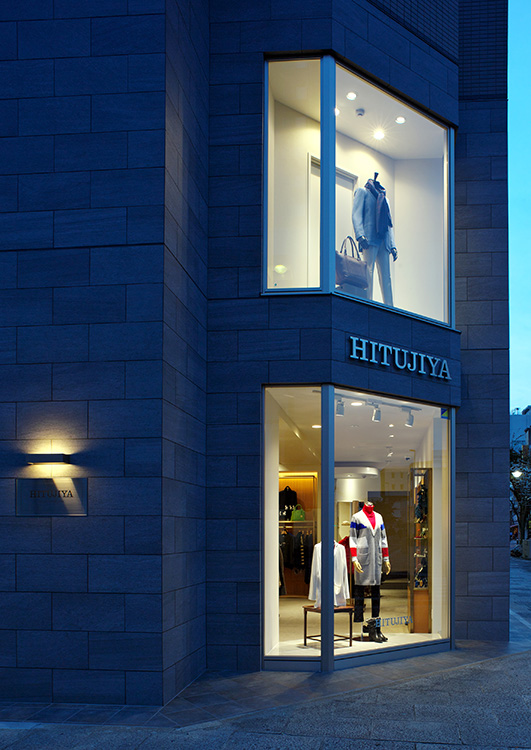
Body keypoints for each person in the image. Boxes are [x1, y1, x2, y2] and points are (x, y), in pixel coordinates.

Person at [352, 173, 397, 306]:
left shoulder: (384, 199)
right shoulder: (363, 192)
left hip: (383, 239)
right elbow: (356, 214)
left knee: (386, 275)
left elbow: (389, 224)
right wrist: (360, 235)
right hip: (369, 238)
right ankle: (368, 302)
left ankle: (389, 305)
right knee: (368, 271)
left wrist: (392, 245)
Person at [349, 500, 391, 643]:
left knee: (376, 593)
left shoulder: (379, 517)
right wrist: (354, 558)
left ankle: (376, 628)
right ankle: (361, 624)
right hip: (363, 558)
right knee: (360, 591)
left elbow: (383, 539)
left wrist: (386, 558)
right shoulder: (356, 517)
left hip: (376, 558)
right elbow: (353, 539)